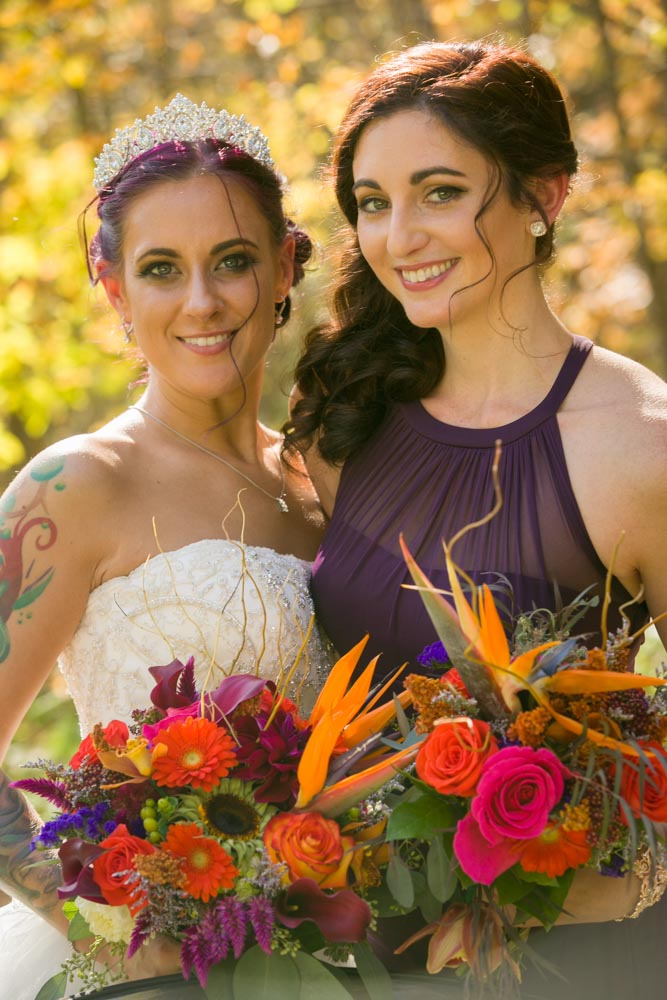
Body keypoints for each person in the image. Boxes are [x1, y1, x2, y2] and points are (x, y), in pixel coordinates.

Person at [286, 41, 667, 999]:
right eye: (372, 203)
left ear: (545, 195)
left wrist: (598, 884)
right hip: (364, 966)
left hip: (575, 963)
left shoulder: (641, 445)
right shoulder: (349, 422)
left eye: (441, 192)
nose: (398, 235)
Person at [0, 95, 334, 1000]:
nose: (202, 302)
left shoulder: (323, 479)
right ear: (115, 290)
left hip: (346, 953)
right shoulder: (77, 486)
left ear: (282, 268)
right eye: (160, 269)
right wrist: (103, 935)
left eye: (232, 261)